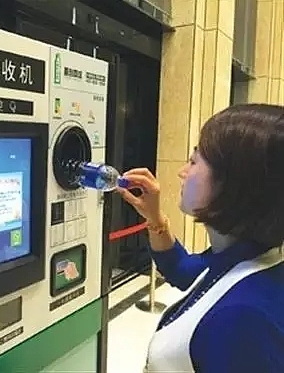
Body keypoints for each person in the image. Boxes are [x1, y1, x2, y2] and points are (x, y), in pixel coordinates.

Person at [117, 104, 284, 373]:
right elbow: (183, 270)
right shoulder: (247, 258)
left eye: (194, 161)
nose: (182, 171)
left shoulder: (243, 320)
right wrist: (154, 216)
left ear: (233, 183)